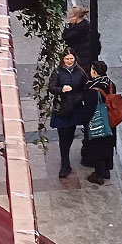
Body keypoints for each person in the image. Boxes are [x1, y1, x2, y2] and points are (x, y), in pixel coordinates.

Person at [47, 49, 87, 178]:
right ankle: (65, 163)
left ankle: (66, 157)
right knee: (63, 136)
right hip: (62, 108)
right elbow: (51, 87)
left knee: (70, 134)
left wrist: (79, 98)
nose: (69, 61)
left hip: (75, 108)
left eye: (71, 59)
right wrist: (61, 89)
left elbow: (84, 88)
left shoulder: (80, 72)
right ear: (62, 59)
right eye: (67, 59)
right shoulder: (57, 72)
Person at [81, 61, 117, 185]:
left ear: (94, 72)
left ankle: (98, 174)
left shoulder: (92, 88)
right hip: (110, 120)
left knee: (97, 148)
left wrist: (84, 122)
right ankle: (107, 170)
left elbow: (89, 109)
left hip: (98, 122)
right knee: (107, 146)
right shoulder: (110, 83)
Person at [63, 6, 98, 74]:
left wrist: (68, 26)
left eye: (71, 14)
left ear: (75, 16)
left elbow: (66, 37)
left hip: (80, 56)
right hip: (83, 55)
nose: (69, 16)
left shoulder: (79, 28)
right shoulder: (83, 25)